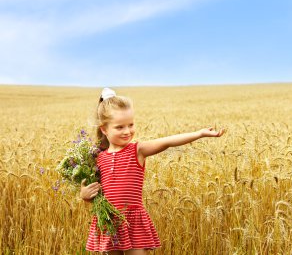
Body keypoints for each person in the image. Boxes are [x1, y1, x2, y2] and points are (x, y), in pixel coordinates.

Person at [80, 88, 225, 255]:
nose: (127, 131)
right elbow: (95, 192)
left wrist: (199, 134)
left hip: (132, 220)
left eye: (131, 125)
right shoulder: (97, 157)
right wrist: (85, 195)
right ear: (104, 129)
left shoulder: (137, 150)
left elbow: (168, 142)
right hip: (108, 220)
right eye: (119, 127)